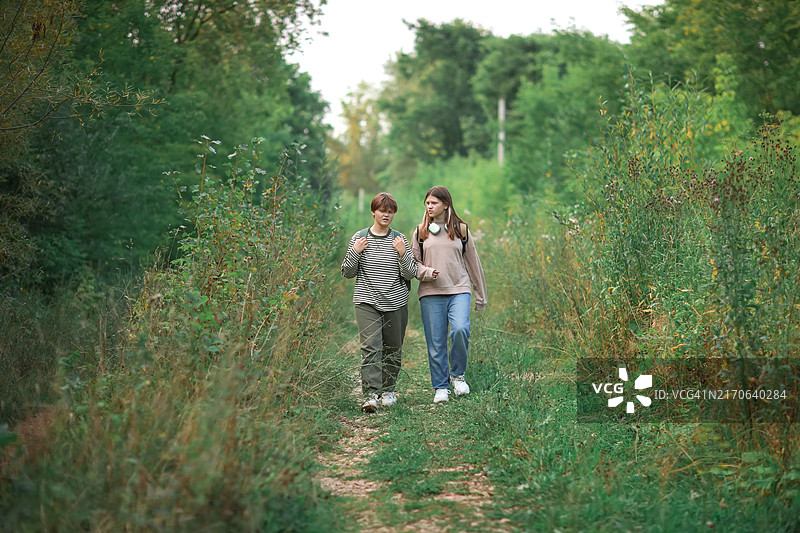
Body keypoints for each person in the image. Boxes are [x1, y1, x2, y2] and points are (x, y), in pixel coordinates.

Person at [341, 192, 418, 413]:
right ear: (373, 212)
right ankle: (370, 395)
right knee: (371, 347)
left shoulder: (399, 239)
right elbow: (347, 272)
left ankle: (388, 390)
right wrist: (356, 252)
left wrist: (402, 254)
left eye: (390, 211)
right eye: (382, 211)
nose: (386, 215)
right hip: (367, 301)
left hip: (395, 301)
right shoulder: (359, 238)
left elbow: (410, 274)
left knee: (393, 347)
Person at [412, 186, 487, 403]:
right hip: (430, 292)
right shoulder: (420, 232)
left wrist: (480, 295)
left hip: (459, 289)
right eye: (427, 203)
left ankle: (458, 375)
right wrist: (426, 272)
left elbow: (473, 264)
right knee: (436, 343)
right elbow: (412, 264)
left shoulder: (461, 230)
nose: (429, 206)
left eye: (434, 203)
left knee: (461, 329)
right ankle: (441, 387)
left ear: (446, 205)